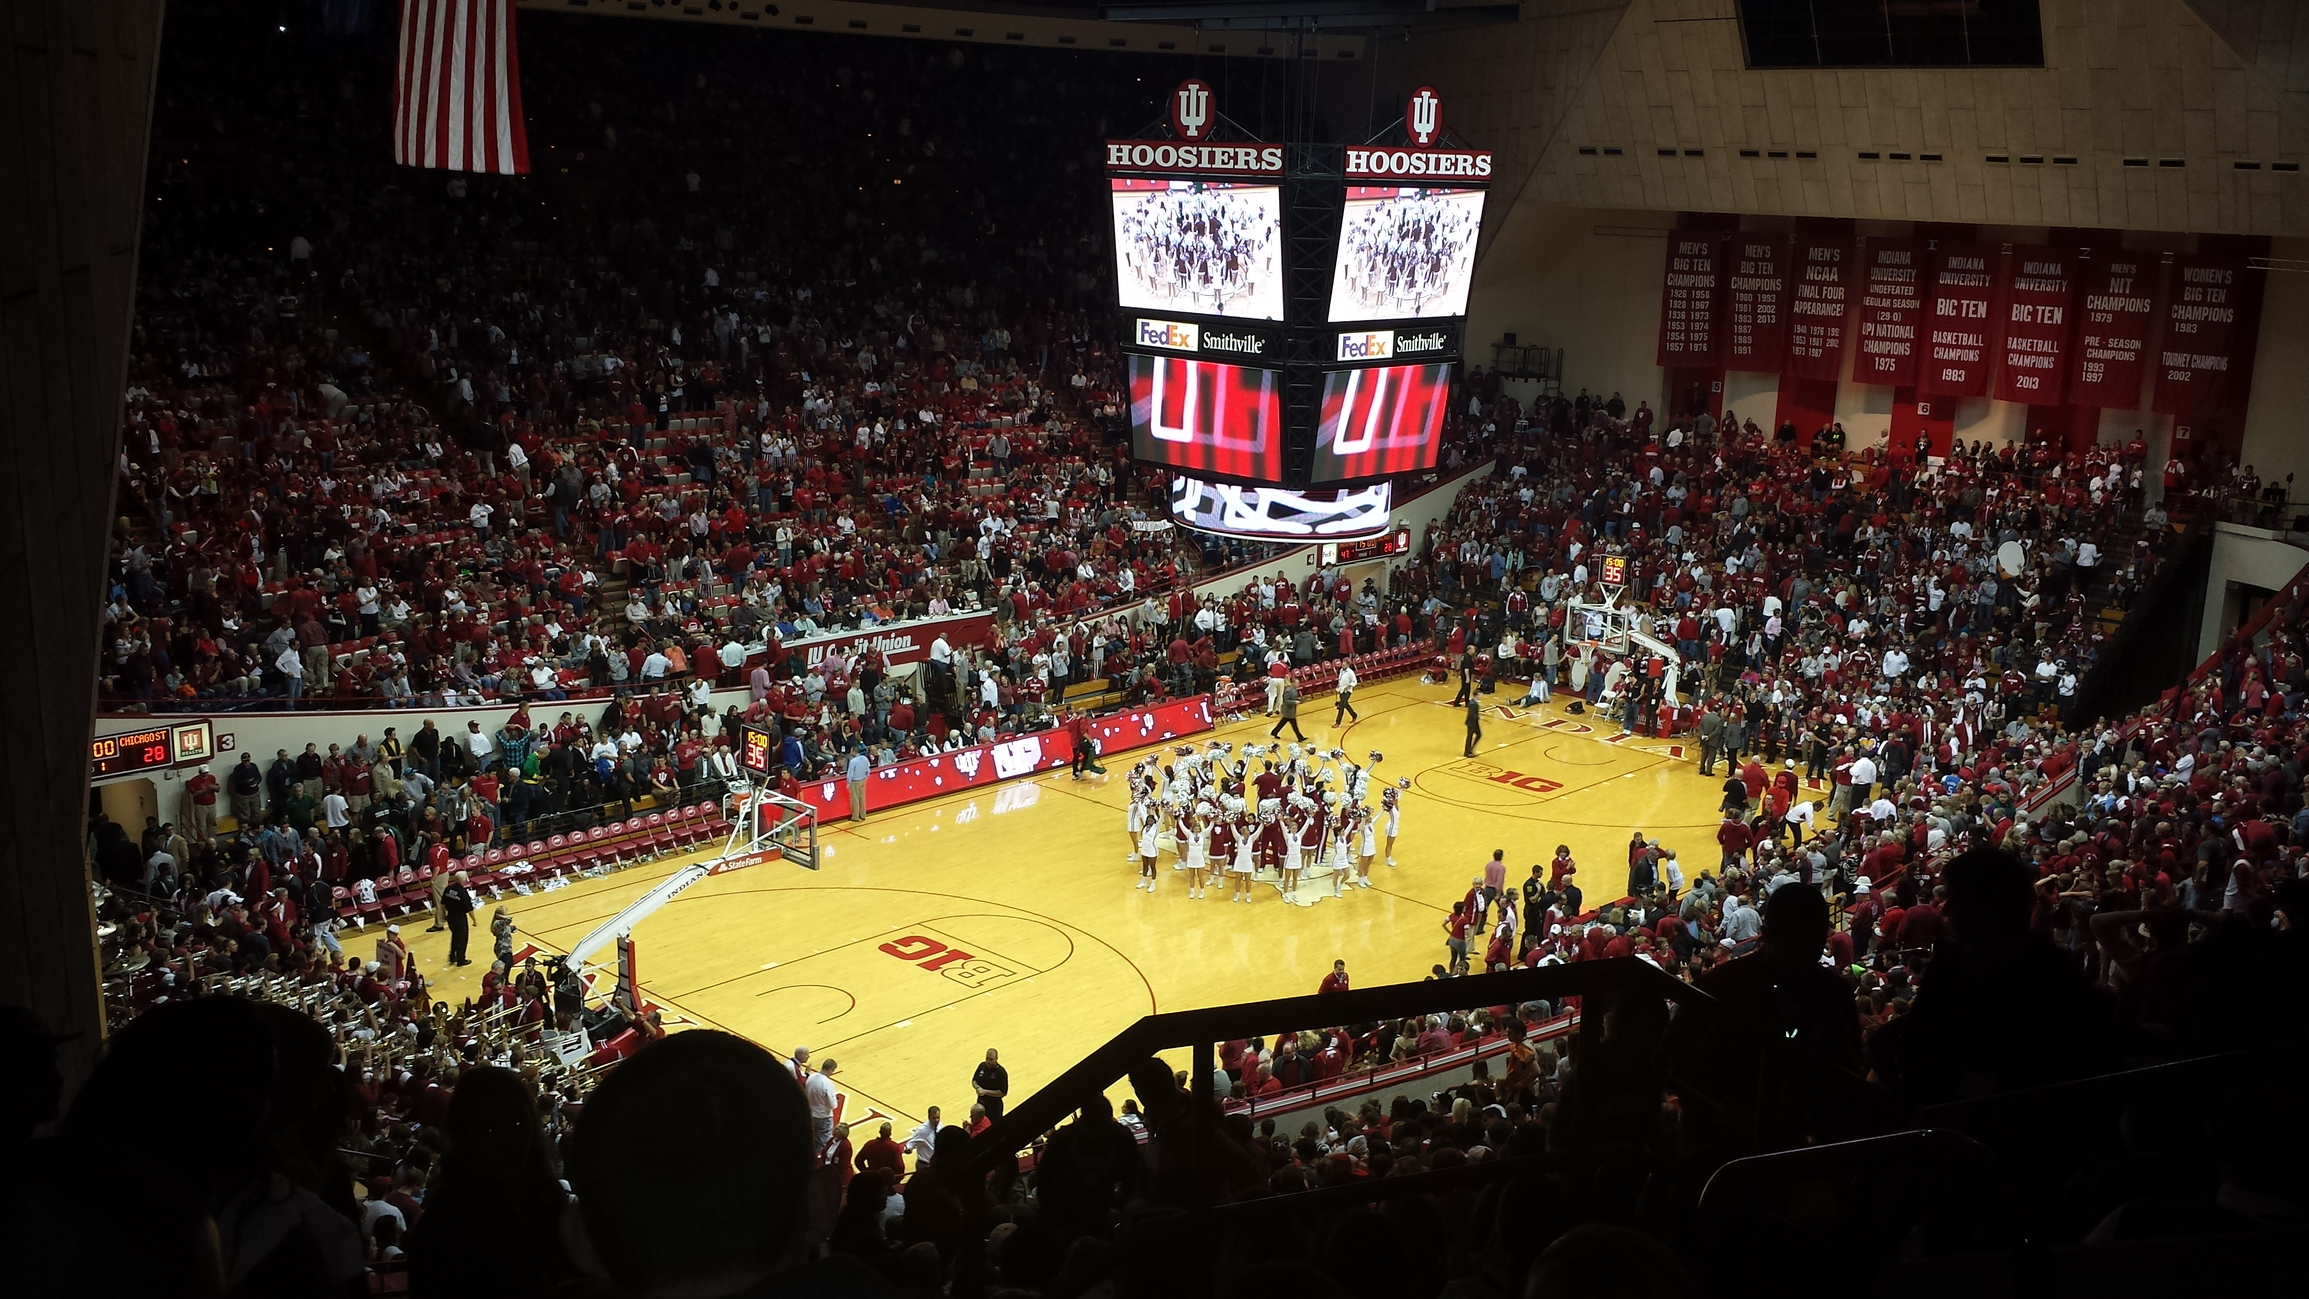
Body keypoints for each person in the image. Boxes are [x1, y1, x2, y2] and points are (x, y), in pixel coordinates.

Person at [805, 1058, 840, 1159]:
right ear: (830, 1070)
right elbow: (832, 1105)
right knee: (823, 1143)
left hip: (811, 1113)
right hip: (823, 1116)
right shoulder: (828, 1084)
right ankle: (819, 1162)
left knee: (811, 1138)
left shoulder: (811, 1077)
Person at [442, 871, 476, 966]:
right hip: (459, 918)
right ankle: (461, 960)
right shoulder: (462, 892)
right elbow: (469, 908)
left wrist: (443, 915)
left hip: (450, 917)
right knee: (462, 939)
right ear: (463, 880)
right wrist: (474, 920)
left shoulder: (448, 889)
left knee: (455, 936)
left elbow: (442, 903)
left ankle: (452, 956)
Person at [971, 1047, 1008, 1122]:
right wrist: (977, 1087)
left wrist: (985, 1092)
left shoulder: (1001, 1073)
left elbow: (1002, 1092)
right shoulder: (982, 1066)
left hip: (994, 1107)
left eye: (991, 1059)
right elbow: (974, 1080)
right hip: (981, 1104)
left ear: (996, 1058)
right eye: (987, 1058)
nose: (988, 1061)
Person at [845, 748, 870, 822]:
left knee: (854, 800)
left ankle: (855, 816)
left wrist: (848, 783)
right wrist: (866, 777)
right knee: (862, 798)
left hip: (855, 781)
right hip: (863, 780)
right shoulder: (865, 758)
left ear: (853, 751)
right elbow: (868, 769)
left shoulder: (853, 761)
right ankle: (863, 815)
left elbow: (850, 774)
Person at [1464, 691, 1483, 757]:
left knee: (1479, 734)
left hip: (1474, 722)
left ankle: (1470, 750)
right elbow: (1471, 714)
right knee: (1469, 737)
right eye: (1480, 695)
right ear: (1476, 695)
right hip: (1471, 723)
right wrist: (1478, 717)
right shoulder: (1472, 703)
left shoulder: (1475, 702)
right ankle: (1467, 752)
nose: (1481, 696)